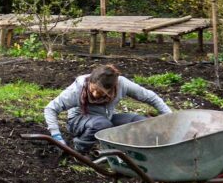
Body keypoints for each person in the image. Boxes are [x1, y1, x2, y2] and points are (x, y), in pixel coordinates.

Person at [44, 64, 172, 154]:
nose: (94, 95)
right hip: (79, 121)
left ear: (112, 88)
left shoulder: (121, 84)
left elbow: (150, 97)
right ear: (90, 81)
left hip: (106, 119)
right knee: (102, 124)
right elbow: (50, 108)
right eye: (92, 89)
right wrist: (56, 135)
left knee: (139, 121)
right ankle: (79, 148)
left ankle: (130, 152)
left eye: (100, 93)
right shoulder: (77, 89)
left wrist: (170, 117)